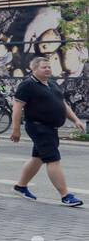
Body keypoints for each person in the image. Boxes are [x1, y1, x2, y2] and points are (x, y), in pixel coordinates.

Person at [10, 56, 84, 207]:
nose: (48, 69)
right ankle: (65, 195)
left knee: (38, 158)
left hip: (51, 128)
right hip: (38, 127)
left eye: (49, 67)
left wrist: (75, 119)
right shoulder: (27, 85)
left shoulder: (52, 83)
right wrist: (15, 129)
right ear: (34, 69)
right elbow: (17, 107)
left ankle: (21, 186)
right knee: (53, 159)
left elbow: (62, 103)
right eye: (44, 67)